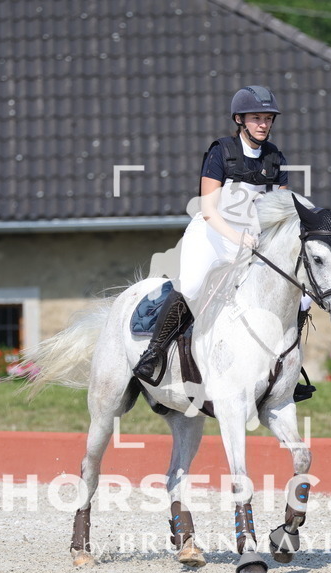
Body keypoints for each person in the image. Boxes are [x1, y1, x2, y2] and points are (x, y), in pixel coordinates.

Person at [134, 86, 313, 400]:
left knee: (302, 298)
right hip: (211, 233)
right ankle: (154, 353)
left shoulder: (275, 157)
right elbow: (208, 210)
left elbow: (281, 210)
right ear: (240, 119)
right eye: (256, 118)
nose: (264, 124)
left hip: (254, 238)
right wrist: (237, 238)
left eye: (268, 118)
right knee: (191, 286)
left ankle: (286, 369)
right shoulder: (222, 151)